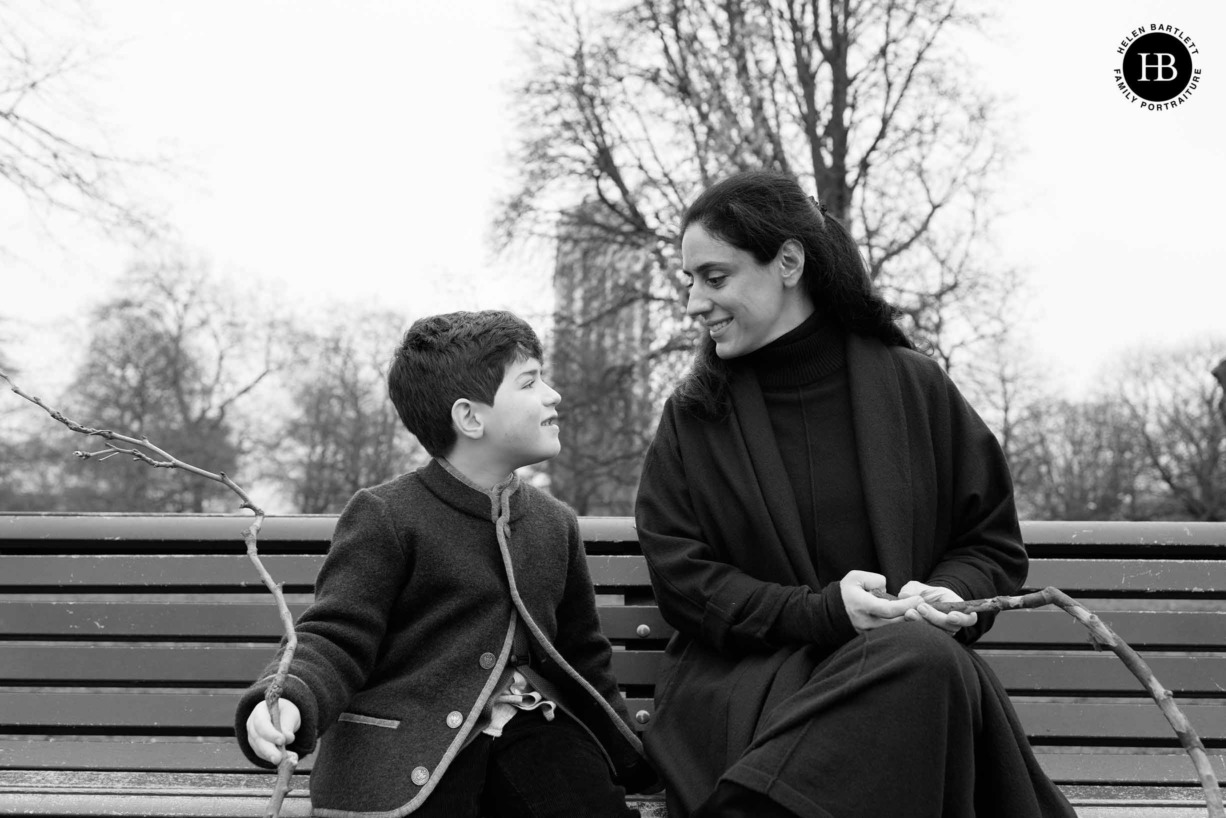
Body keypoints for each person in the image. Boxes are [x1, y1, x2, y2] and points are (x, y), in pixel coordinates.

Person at [634, 170, 1077, 818]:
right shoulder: (696, 415)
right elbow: (684, 581)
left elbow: (986, 541)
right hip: (751, 689)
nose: (695, 302)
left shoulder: (915, 388)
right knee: (927, 667)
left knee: (924, 660)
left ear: (788, 261)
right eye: (690, 280)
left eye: (715, 276)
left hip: (909, 680)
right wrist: (820, 613)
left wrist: (952, 594)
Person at [236, 310, 654, 817]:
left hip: (534, 733)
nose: (553, 394)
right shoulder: (387, 515)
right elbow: (336, 634)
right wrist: (286, 698)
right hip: (408, 752)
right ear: (470, 417)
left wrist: (628, 750)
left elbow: (581, 655)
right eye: (530, 381)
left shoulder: (553, 523)